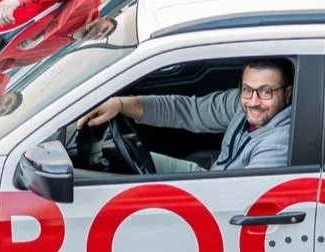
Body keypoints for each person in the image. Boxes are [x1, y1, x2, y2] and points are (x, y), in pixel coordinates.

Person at [81, 58, 294, 174]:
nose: (254, 101)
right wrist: (120, 104)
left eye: (266, 92)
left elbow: (239, 200)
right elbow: (188, 110)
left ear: (288, 92)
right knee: (115, 157)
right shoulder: (240, 103)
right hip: (213, 177)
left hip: (219, 198)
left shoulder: (279, 143)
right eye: (247, 89)